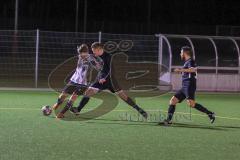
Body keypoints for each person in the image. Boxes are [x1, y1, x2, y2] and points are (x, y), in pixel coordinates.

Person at [70, 42, 148, 118]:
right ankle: (78, 109)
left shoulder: (108, 56)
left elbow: (109, 70)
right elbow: (94, 63)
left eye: (94, 51)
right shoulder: (96, 56)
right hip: (102, 80)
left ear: (99, 49)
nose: (93, 52)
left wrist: (103, 77)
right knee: (89, 92)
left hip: (110, 81)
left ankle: (140, 110)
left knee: (123, 97)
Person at [161, 46, 215, 125]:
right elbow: (189, 71)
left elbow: (193, 70)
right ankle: (168, 120)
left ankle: (210, 113)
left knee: (191, 104)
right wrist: (181, 71)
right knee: (173, 100)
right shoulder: (187, 62)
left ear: (185, 53)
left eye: (181, 52)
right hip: (184, 87)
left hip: (189, 85)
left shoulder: (191, 61)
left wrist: (180, 70)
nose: (180, 54)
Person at [51, 44, 103, 118]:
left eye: (81, 53)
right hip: (73, 80)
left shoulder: (91, 59)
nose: (80, 55)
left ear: (86, 52)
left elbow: (99, 67)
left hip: (83, 84)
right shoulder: (80, 56)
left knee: (73, 97)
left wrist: (98, 66)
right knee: (63, 95)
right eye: (79, 53)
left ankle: (61, 113)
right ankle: (57, 104)